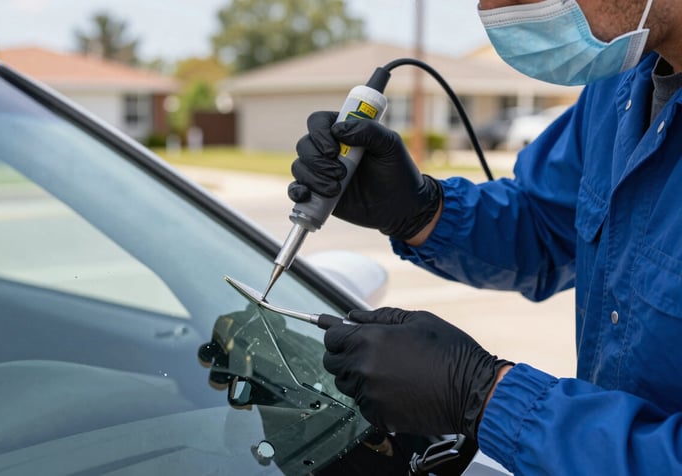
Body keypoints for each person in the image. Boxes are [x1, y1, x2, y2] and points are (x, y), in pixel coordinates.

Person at [287, 0, 682, 473]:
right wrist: (420, 211)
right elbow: (547, 221)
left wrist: (488, 395)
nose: (494, 8)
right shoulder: (620, 87)